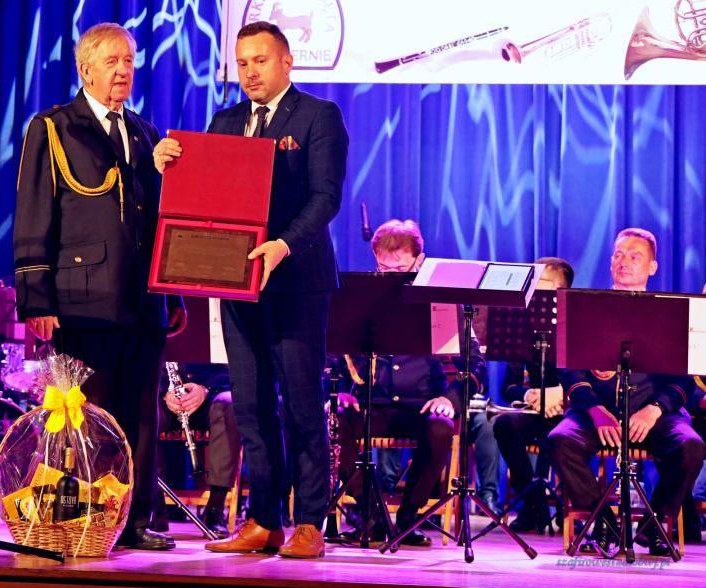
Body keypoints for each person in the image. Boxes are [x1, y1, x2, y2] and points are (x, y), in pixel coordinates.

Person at [154, 21, 348, 559]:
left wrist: (283, 244)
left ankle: (309, 522)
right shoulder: (225, 120)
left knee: (303, 404)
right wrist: (169, 165)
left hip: (297, 282)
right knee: (251, 407)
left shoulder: (318, 116)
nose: (250, 72)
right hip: (237, 282)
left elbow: (326, 197)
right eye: (242, 63)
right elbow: (205, 195)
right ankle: (264, 520)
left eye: (260, 61)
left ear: (286, 62)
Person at [13, 22, 184, 551]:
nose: (123, 71)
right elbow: (34, 213)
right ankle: (84, 519)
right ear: (85, 69)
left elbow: (159, 220)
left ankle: (134, 520)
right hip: (82, 298)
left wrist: (173, 291)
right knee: (88, 416)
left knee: (141, 414)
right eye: (112, 61)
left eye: (128, 61)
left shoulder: (146, 133)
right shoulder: (53, 127)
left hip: (142, 299)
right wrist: (36, 298)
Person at [547, 227, 706, 557]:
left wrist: (655, 409)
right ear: (610, 262)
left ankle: (655, 525)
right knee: (560, 441)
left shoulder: (671, 312)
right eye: (619, 255)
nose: (625, 262)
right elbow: (569, 370)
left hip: (655, 414)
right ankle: (603, 523)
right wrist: (594, 410)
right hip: (597, 411)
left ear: (652, 267)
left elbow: (685, 379)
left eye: (635, 256)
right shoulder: (587, 308)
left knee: (690, 447)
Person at [334, 219, 487, 547]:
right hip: (372, 403)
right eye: (383, 268)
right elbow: (333, 351)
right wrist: (342, 393)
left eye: (400, 269)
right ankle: (372, 515)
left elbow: (475, 364)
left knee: (441, 429)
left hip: (422, 405)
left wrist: (450, 398)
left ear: (420, 261)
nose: (391, 276)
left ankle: (408, 519)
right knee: (334, 421)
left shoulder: (442, 301)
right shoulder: (360, 299)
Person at [493, 257, 574, 533]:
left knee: (563, 436)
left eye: (545, 284)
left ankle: (568, 510)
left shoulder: (575, 326)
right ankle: (534, 503)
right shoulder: (522, 329)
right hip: (536, 408)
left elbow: (587, 379)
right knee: (504, 425)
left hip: (569, 411)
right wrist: (530, 395)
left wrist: (559, 396)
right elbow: (508, 387)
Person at [156, 363, 241, 538]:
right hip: (165, 397)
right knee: (143, 410)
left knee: (228, 404)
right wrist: (163, 392)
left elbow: (232, 367)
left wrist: (205, 388)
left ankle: (215, 508)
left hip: (211, 397)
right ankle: (152, 507)